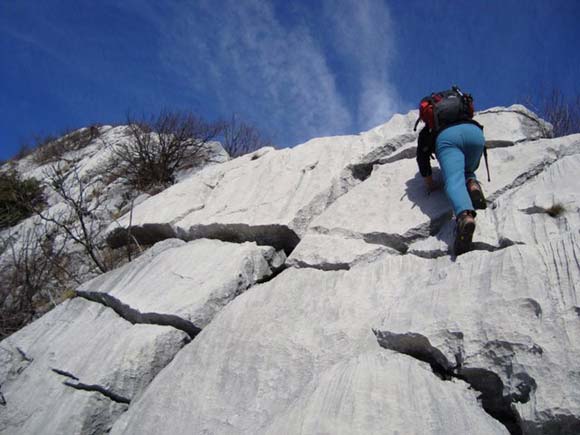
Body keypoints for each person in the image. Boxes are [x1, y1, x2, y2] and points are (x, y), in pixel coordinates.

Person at [416, 119, 486, 255]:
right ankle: (472, 183)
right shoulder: (461, 112)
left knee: (454, 181)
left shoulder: (427, 131)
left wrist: (430, 184)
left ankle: (465, 216)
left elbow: (422, 159)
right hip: (475, 133)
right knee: (467, 169)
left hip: (448, 139)